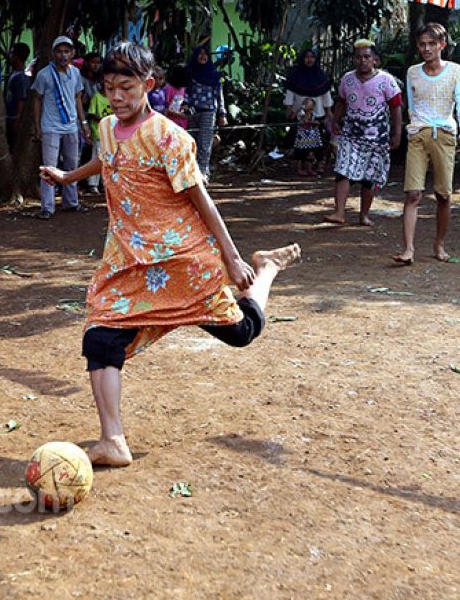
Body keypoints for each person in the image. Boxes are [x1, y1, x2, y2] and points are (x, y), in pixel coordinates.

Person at [39, 42, 300, 468]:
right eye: (109, 88)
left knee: (242, 333)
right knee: (100, 338)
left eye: (126, 87)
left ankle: (266, 268)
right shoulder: (106, 128)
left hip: (182, 262)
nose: (117, 96)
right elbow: (106, 161)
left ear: (149, 84)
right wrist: (67, 175)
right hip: (129, 262)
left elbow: (204, 201)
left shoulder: (169, 138)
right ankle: (113, 440)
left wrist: (233, 259)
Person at [394, 23, 460, 265]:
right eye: (422, 44)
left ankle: (439, 244)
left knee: (443, 195)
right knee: (413, 193)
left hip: (445, 134)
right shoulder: (412, 72)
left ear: (442, 45)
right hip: (418, 133)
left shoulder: (456, 71)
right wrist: (413, 128)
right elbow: (411, 105)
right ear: (418, 46)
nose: (427, 48)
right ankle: (408, 249)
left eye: (431, 44)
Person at [323, 40, 401, 226]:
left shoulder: (386, 81)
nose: (362, 61)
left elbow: (396, 108)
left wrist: (397, 134)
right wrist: (335, 121)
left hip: (377, 137)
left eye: (367, 57)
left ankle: (364, 214)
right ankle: (339, 213)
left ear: (375, 60)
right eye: (358, 57)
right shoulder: (347, 79)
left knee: (370, 177)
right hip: (351, 134)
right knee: (343, 169)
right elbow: (341, 102)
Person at [32, 35, 89, 219]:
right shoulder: (44, 74)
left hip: (71, 126)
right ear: (53, 53)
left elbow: (78, 98)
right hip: (50, 127)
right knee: (49, 167)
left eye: (66, 51)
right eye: (59, 51)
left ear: (72, 53)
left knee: (72, 165)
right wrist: (38, 127)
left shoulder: (75, 73)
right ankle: (47, 207)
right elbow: (37, 100)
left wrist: (84, 123)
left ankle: (71, 202)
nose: (63, 55)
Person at [284, 49, 334, 174]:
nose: (309, 59)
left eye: (312, 57)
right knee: (300, 144)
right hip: (299, 115)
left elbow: (326, 94)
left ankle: (319, 165)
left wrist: (329, 111)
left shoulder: (320, 76)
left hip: (318, 113)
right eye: (307, 57)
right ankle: (301, 167)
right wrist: (289, 109)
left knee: (319, 142)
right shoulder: (295, 76)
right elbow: (290, 93)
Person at [186, 45, 228, 176]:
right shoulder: (190, 72)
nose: (203, 56)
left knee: (205, 143)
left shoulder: (213, 74)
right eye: (200, 54)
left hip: (208, 112)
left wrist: (222, 114)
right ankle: (192, 172)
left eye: (205, 54)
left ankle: (203, 173)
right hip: (191, 112)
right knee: (191, 143)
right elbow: (185, 92)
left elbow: (219, 95)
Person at [4, 42, 31, 148]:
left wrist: (17, 121)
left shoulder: (21, 77)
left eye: (11, 53)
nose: (9, 56)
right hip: (10, 117)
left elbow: (21, 100)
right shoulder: (15, 73)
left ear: (16, 57)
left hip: (14, 118)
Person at [293, 98, 326, 177]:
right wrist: (313, 122)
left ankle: (309, 169)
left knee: (310, 153)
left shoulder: (313, 114)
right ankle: (300, 170)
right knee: (300, 154)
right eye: (307, 104)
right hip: (302, 137)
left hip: (311, 138)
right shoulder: (301, 112)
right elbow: (304, 120)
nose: (309, 106)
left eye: (311, 104)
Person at [164, 65, 190, 129]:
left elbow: (179, 105)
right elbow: (165, 108)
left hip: (181, 124)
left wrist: (184, 108)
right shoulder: (168, 88)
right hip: (170, 123)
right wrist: (179, 114)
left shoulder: (183, 89)